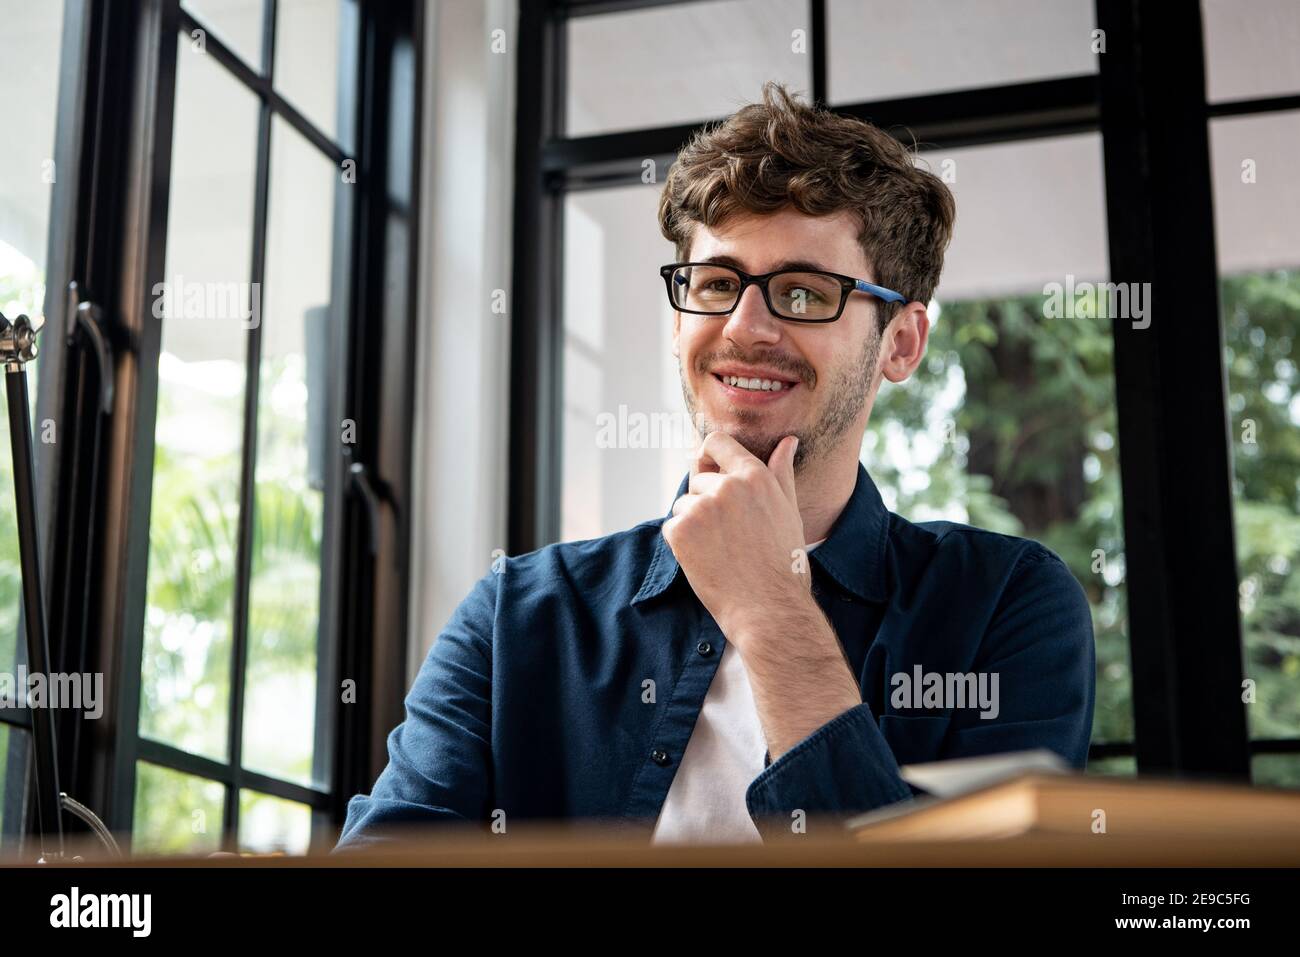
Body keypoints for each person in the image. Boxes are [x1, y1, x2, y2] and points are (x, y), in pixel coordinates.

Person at [335, 81, 1094, 849]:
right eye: (718, 283)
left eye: (803, 293)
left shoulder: (1006, 605)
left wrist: (771, 606)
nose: (744, 327)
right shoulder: (516, 617)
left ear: (901, 342)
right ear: (678, 318)